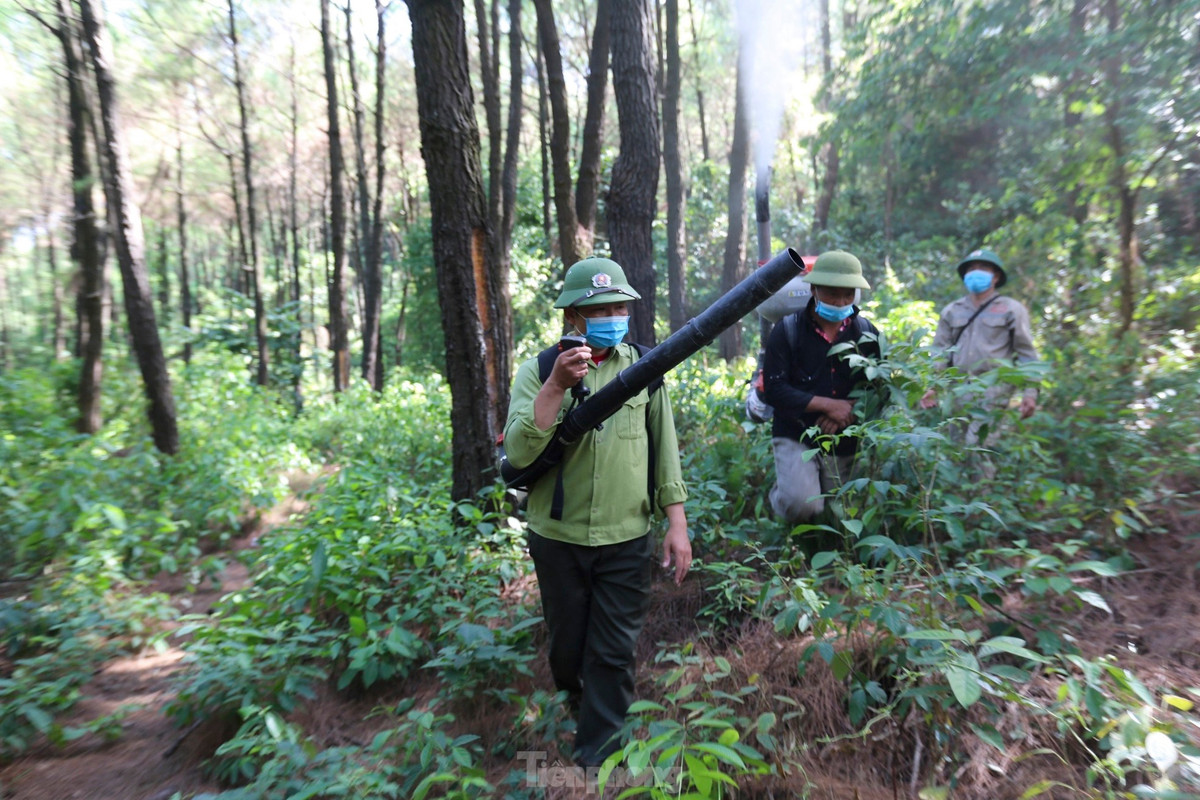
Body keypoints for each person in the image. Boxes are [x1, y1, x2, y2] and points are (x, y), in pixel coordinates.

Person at [502, 257, 692, 768]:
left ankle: (597, 758)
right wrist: (556, 387)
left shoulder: (645, 368)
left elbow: (664, 449)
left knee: (611, 652)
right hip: (557, 536)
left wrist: (677, 523)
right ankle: (578, 704)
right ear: (574, 317)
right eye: (599, 308)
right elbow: (519, 452)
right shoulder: (539, 370)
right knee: (568, 650)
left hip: (626, 536)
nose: (612, 316)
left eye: (619, 307)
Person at [762, 250, 881, 524]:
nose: (840, 302)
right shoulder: (787, 331)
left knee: (842, 514)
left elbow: (877, 388)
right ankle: (782, 501)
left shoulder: (867, 333)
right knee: (802, 505)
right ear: (813, 290)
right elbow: (774, 389)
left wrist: (847, 411)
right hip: (797, 433)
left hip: (846, 435)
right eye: (831, 294)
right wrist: (827, 405)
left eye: (847, 294)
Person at [919, 248, 1039, 444]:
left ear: (996, 276)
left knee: (978, 449)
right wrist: (934, 386)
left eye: (983, 268)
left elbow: (1027, 354)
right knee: (955, 449)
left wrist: (1030, 393)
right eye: (971, 268)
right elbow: (940, 352)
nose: (976, 272)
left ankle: (982, 474)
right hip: (956, 391)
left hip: (992, 389)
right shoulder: (952, 310)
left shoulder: (1011, 309)